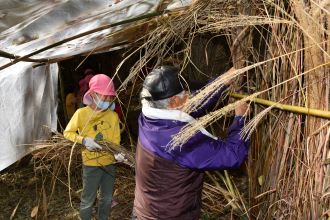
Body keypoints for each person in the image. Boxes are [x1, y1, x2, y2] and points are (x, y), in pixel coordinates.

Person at [133, 65, 250, 220]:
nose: (190, 95)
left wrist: (221, 82)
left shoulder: (150, 116)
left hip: (144, 211)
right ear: (174, 101)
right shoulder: (180, 140)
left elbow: (193, 104)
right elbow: (233, 155)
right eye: (186, 93)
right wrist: (240, 119)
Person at [64, 74, 125, 220]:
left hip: (109, 164)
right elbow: (67, 133)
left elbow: (115, 141)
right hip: (91, 164)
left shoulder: (113, 116)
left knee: (107, 198)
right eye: (104, 96)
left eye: (110, 97)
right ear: (92, 94)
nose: (108, 100)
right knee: (88, 199)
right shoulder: (81, 114)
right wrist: (84, 140)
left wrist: (118, 153)